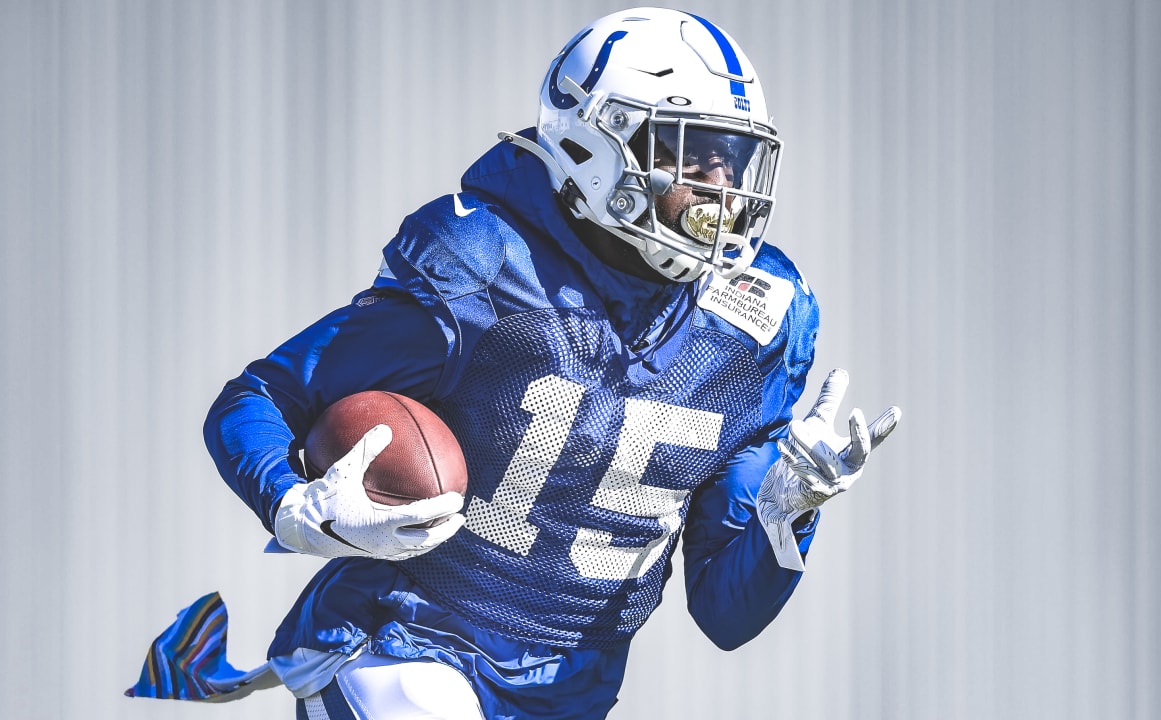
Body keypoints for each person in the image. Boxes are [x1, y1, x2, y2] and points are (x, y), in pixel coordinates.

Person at [126, 7, 899, 718]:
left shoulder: (761, 320)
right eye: (690, 156)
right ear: (596, 145)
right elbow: (259, 396)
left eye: (731, 162)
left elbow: (725, 615)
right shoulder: (490, 263)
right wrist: (296, 506)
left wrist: (786, 512)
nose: (720, 188)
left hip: (570, 691)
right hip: (404, 640)